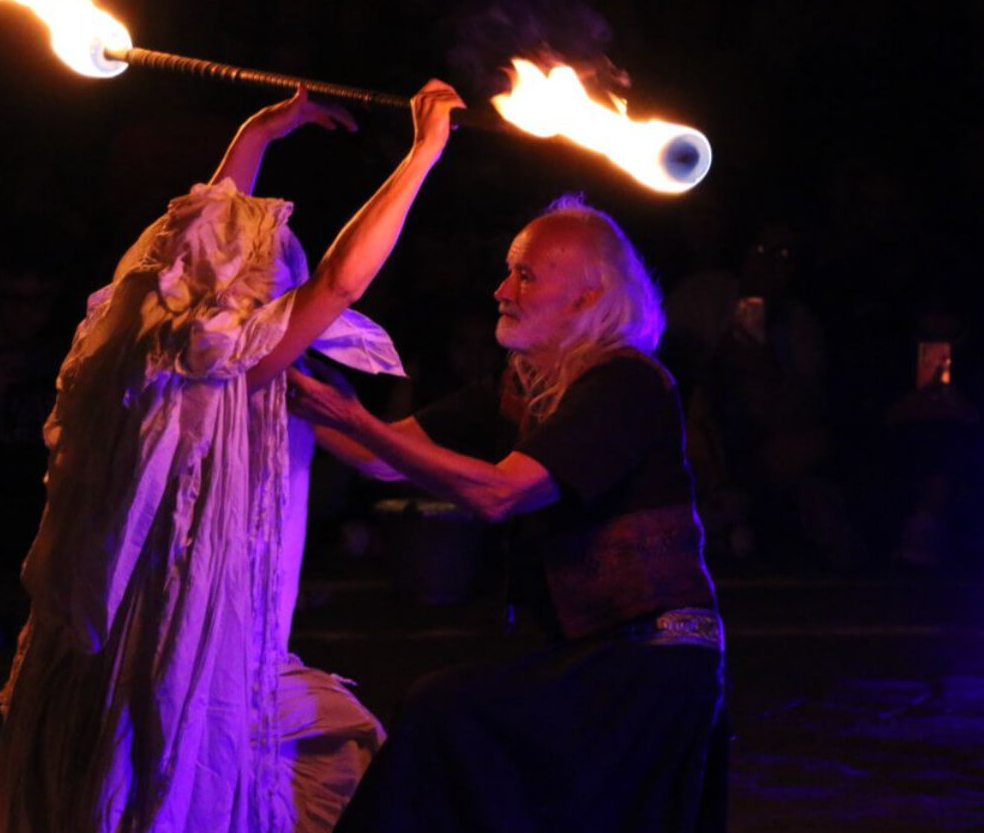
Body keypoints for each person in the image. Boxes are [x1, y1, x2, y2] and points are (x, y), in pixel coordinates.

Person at [0, 80, 465, 833]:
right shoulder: (222, 360)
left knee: (327, 743)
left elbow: (199, 240)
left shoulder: (132, 341)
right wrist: (423, 152)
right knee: (220, 772)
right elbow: (340, 279)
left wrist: (259, 135)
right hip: (183, 646)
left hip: (143, 642)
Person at [287, 195, 726, 833]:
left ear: (584, 298)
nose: (501, 290)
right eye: (508, 270)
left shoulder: (626, 385)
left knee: (450, 710)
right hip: (591, 659)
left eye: (526, 275)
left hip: (654, 667)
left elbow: (502, 493)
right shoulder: (521, 388)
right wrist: (277, 371)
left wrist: (349, 415)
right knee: (454, 720)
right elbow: (378, 454)